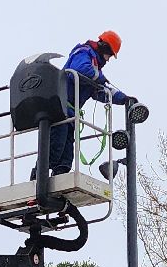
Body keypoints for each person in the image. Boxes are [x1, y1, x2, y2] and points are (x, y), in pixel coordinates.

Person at [37, 30, 128, 179]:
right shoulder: (84, 52)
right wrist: (100, 77)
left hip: (70, 113)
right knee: (54, 149)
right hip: (60, 107)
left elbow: (100, 92)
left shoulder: (94, 68)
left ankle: (59, 183)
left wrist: (123, 98)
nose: (109, 59)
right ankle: (37, 179)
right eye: (110, 55)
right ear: (104, 47)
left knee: (66, 158)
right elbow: (80, 69)